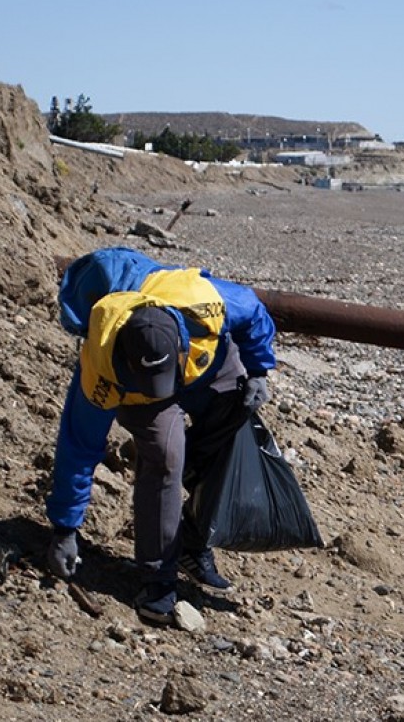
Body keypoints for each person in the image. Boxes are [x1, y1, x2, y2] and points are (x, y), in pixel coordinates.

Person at [45, 246, 277, 623]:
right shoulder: (100, 371)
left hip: (206, 361)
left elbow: (253, 311)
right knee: (165, 458)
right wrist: (64, 529)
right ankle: (158, 578)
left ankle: (194, 538)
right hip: (134, 389)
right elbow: (79, 447)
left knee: (234, 419)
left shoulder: (204, 303)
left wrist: (259, 370)